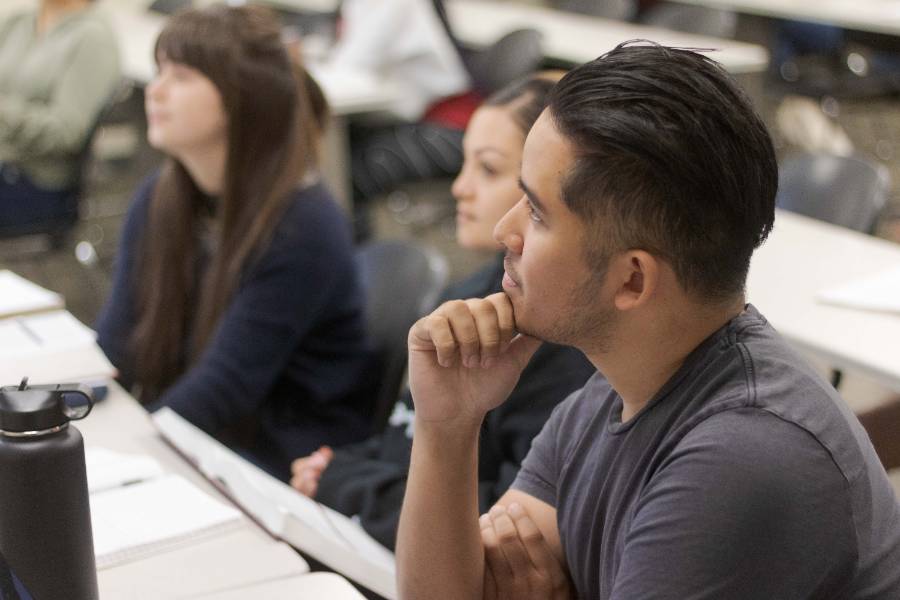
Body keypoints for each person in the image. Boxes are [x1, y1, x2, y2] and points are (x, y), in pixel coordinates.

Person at [396, 42, 900, 599]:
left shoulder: (741, 459)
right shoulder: (610, 393)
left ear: (633, 280)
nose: (504, 233)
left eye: (536, 213)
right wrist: (447, 426)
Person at [289, 73, 595, 550]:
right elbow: (405, 434)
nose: (459, 188)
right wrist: (339, 466)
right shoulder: (472, 291)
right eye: (464, 164)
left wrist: (349, 485)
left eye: (489, 171)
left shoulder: (557, 335)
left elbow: (512, 524)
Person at [95, 5, 372, 480]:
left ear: (242, 99)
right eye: (159, 71)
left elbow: (221, 393)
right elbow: (115, 349)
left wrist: (123, 461)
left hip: (276, 463)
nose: (155, 91)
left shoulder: (303, 226)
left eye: (180, 76)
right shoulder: (161, 199)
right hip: (203, 441)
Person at [324, 0, 475, 238]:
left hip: (445, 126)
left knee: (346, 170)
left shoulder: (394, 3)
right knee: (338, 154)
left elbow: (351, 65)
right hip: (408, 116)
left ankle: (353, 255)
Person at [0, 0, 120, 233]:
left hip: (32, 181)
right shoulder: (18, 23)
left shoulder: (93, 39)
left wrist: (4, 114)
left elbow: (66, 131)